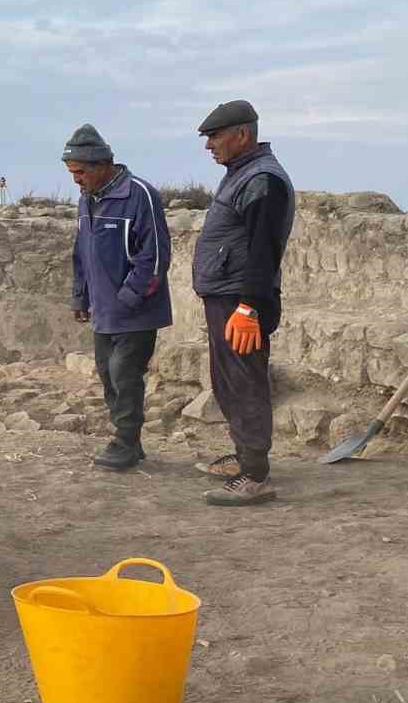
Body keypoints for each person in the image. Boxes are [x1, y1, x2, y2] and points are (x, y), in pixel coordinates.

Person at [191, 100, 294, 506]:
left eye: (215, 136)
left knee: (245, 383)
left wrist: (250, 306)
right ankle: (243, 457)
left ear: (242, 135)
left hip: (241, 300)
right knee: (229, 382)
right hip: (227, 296)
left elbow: (262, 250)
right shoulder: (243, 175)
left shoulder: (262, 180)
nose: (209, 146)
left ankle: (255, 476)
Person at [63, 124, 172, 470]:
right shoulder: (86, 200)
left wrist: (128, 297)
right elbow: (81, 252)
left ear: (100, 165)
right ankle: (128, 442)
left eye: (80, 173)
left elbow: (154, 257)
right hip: (103, 311)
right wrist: (80, 296)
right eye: (72, 173)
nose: (76, 181)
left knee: (124, 373)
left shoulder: (140, 194)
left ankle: (125, 442)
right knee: (107, 374)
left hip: (136, 310)